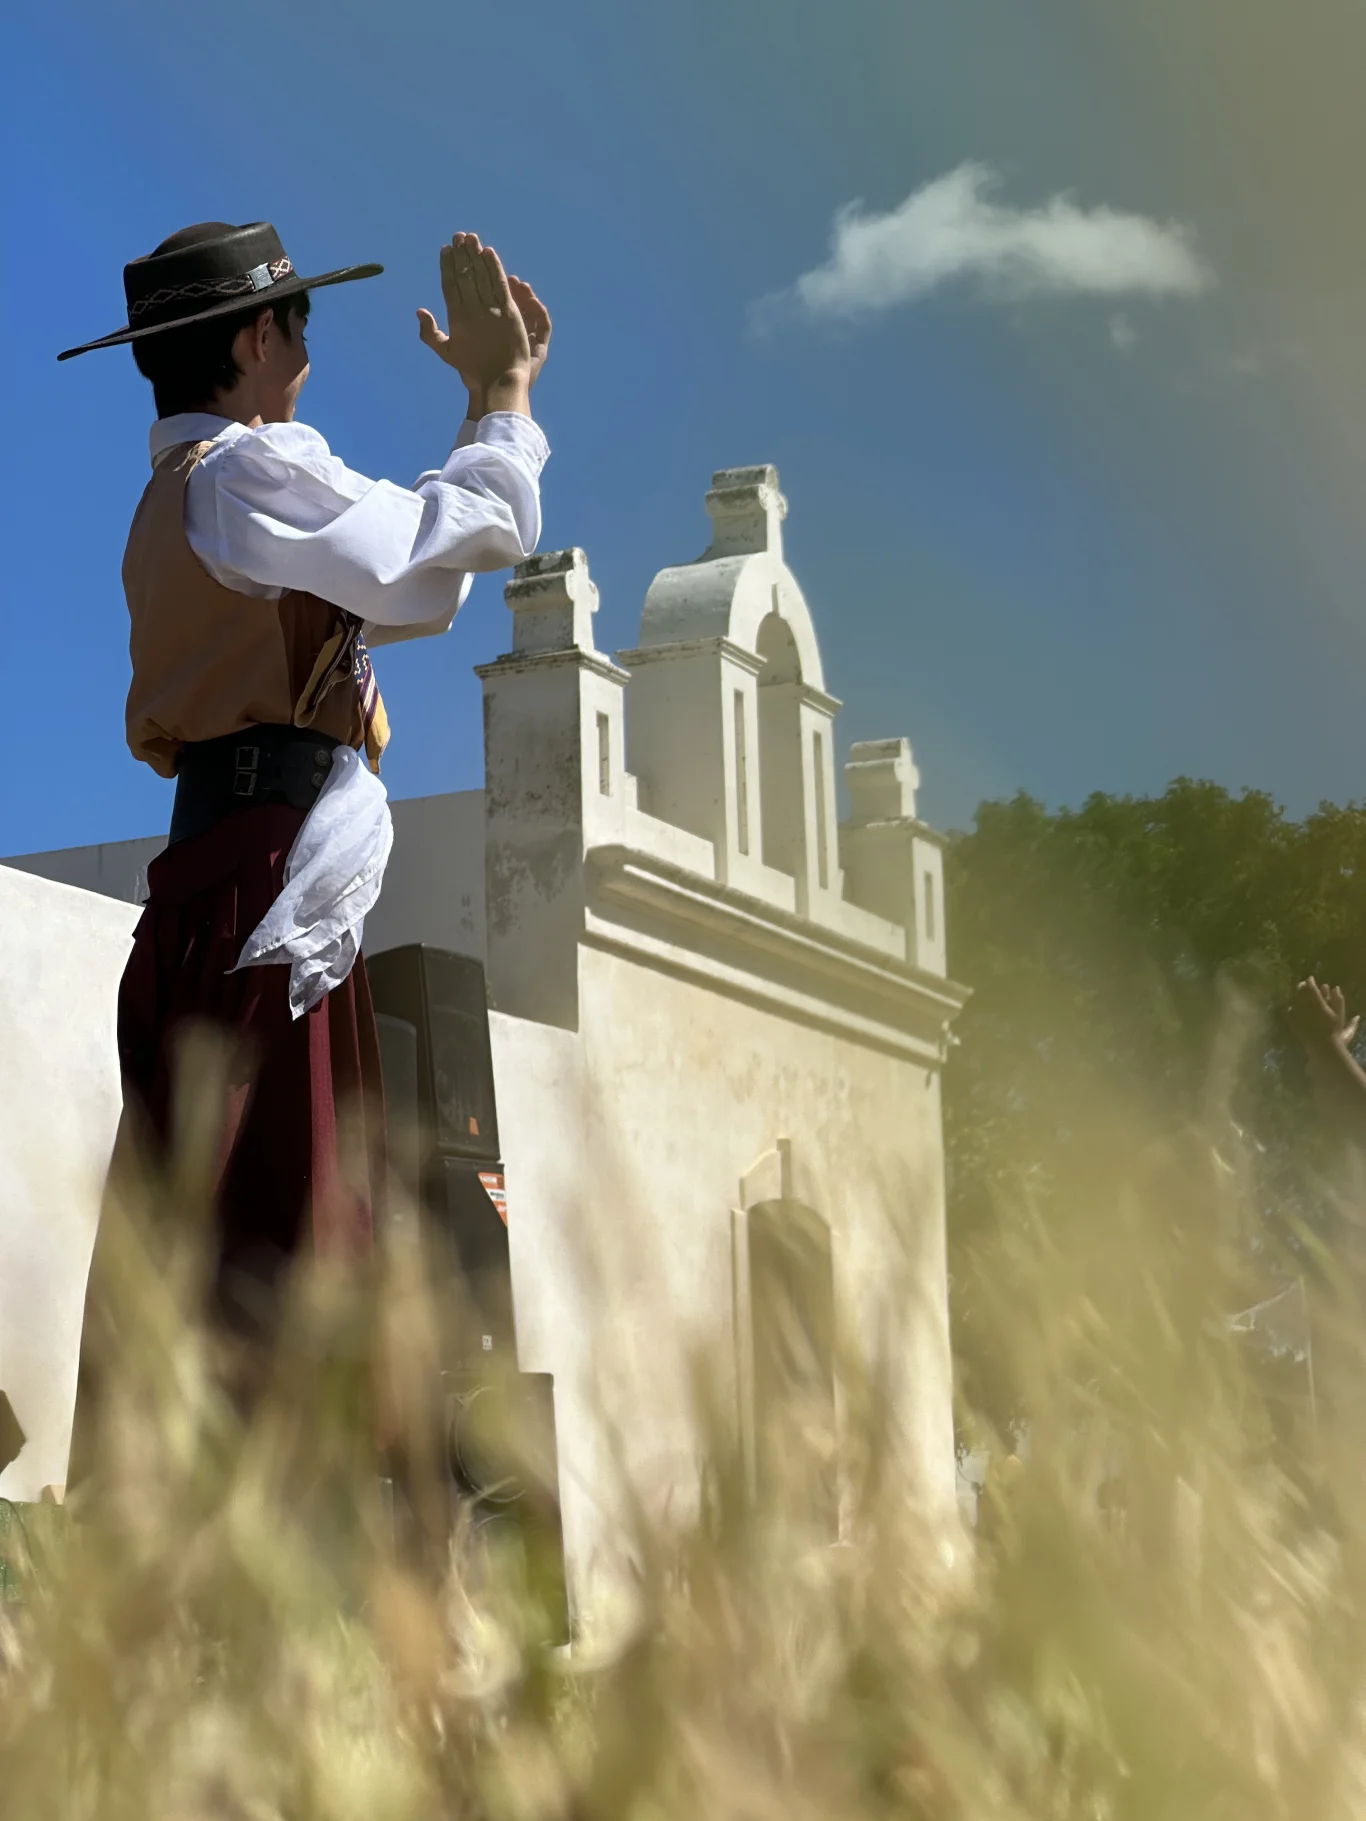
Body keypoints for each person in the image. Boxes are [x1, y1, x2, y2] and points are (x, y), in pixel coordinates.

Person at [59, 220, 551, 1431]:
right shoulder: (243, 474)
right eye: (300, 328)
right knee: (286, 1226)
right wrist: (499, 398)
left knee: (205, 1228)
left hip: (216, 871)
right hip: (266, 873)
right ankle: (288, 1552)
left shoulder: (181, 497)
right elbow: (440, 554)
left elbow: (383, 589)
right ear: (254, 338)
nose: (310, 357)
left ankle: (186, 1548)